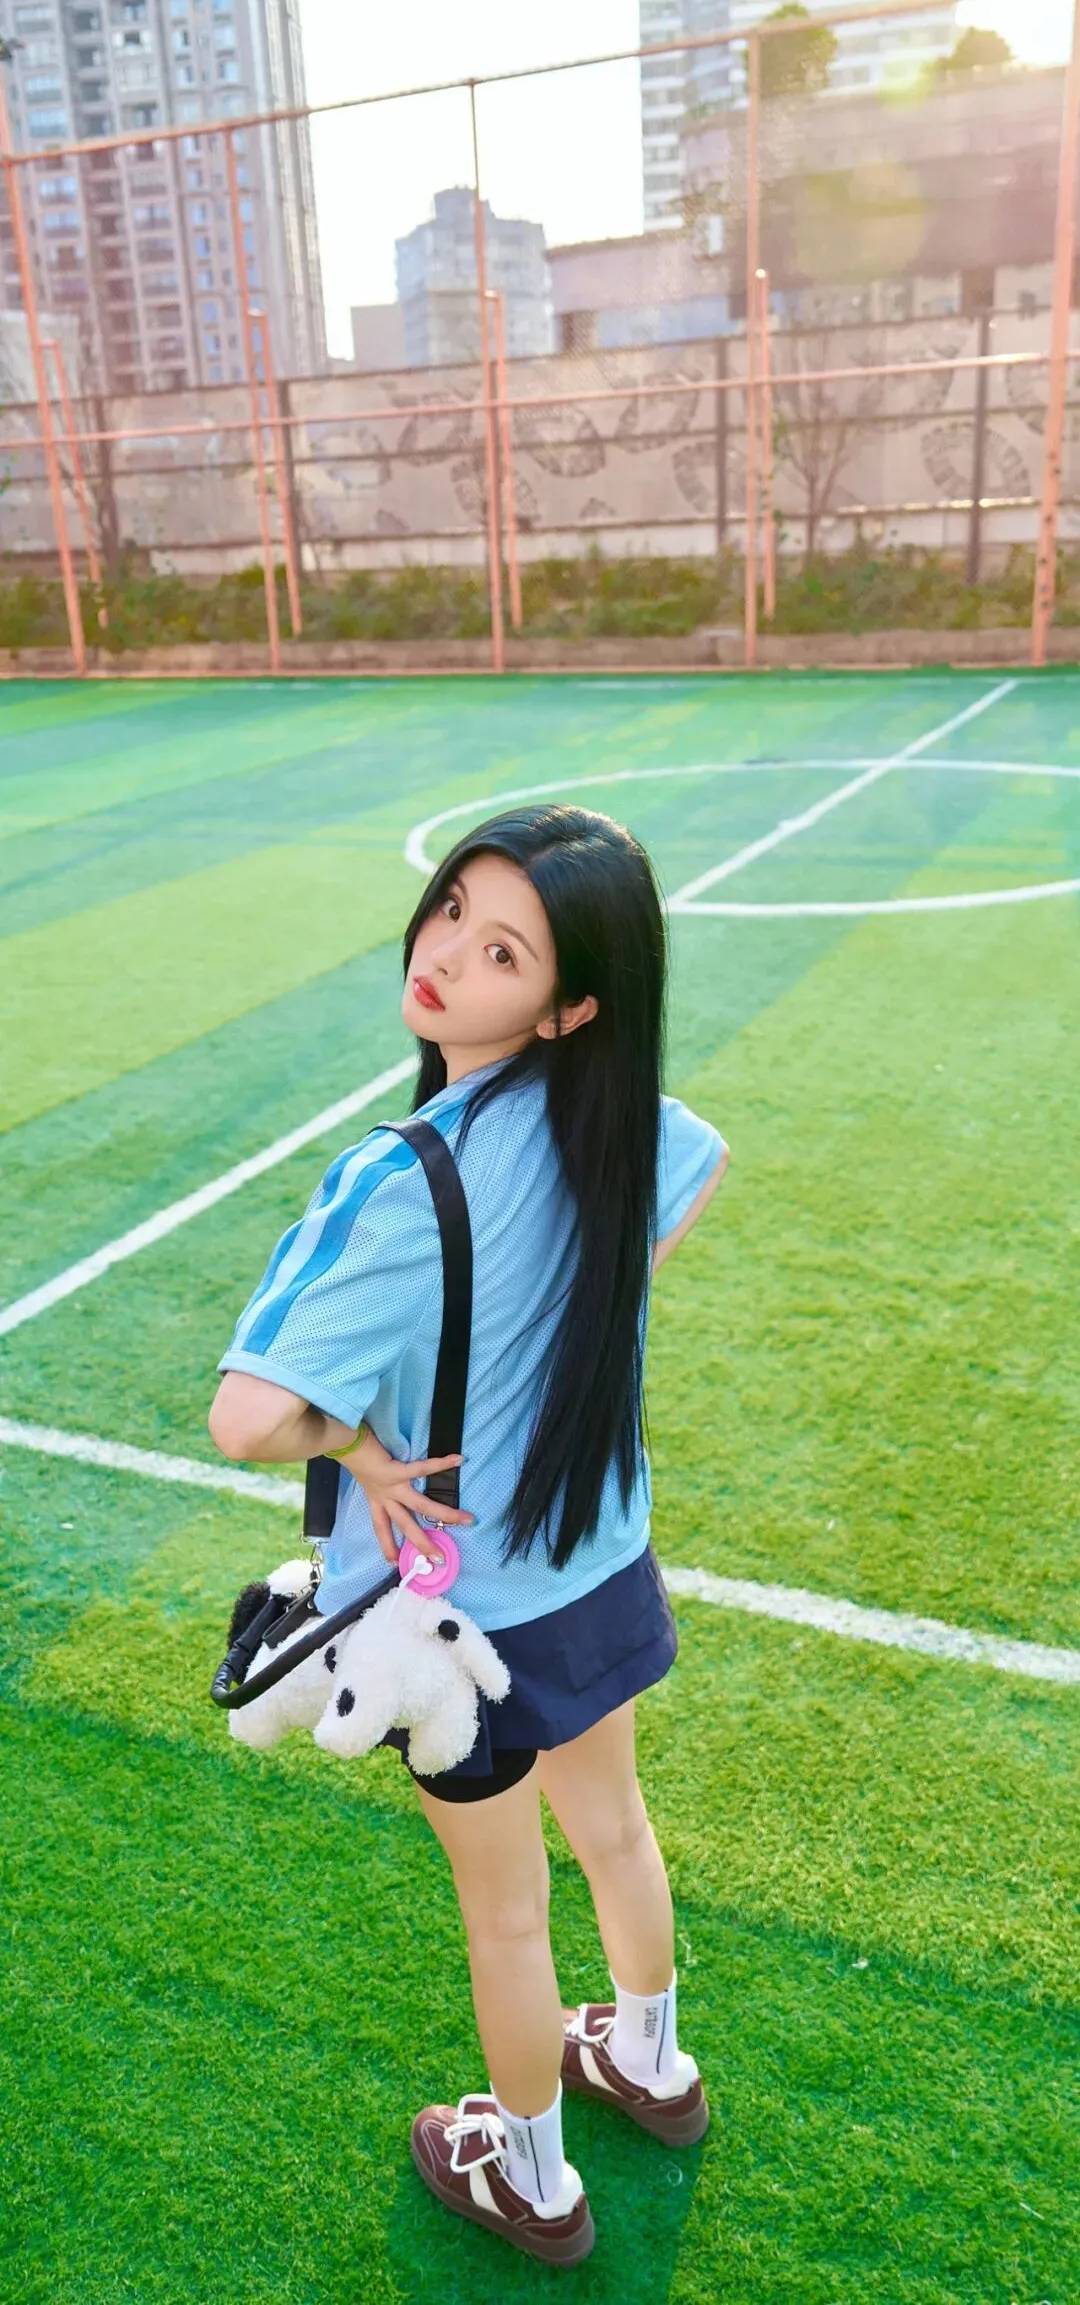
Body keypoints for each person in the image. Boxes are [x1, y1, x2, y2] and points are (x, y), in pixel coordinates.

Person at [209, 803, 729, 2269]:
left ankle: (534, 2181)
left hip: (459, 1627)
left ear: (568, 1007)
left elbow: (249, 1417)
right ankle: (653, 2063)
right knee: (615, 1830)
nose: (442, 955)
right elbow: (701, 1162)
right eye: (452, 912)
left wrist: (362, 1451)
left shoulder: (398, 1180)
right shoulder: (619, 1120)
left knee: (508, 1919)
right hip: (594, 1559)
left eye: (503, 951)